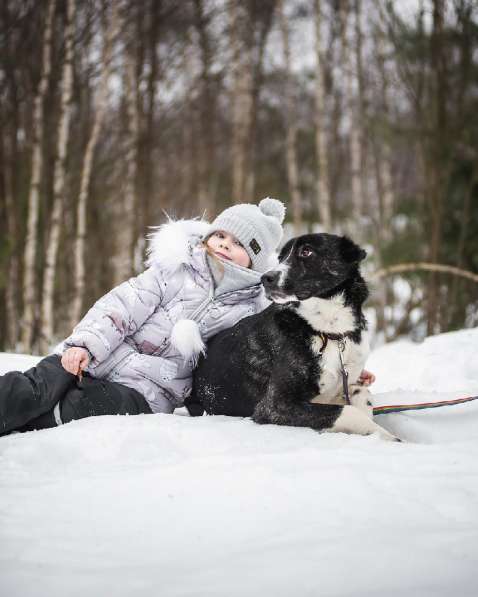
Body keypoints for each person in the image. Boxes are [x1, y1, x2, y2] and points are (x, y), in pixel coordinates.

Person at [0, 198, 287, 435]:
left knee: (84, 407)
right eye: (220, 235)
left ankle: (45, 417)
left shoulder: (250, 310)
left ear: (256, 261)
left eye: (238, 244)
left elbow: (230, 363)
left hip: (146, 390)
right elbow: (120, 306)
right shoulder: (173, 271)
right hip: (98, 355)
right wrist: (84, 345)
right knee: (37, 385)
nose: (224, 244)